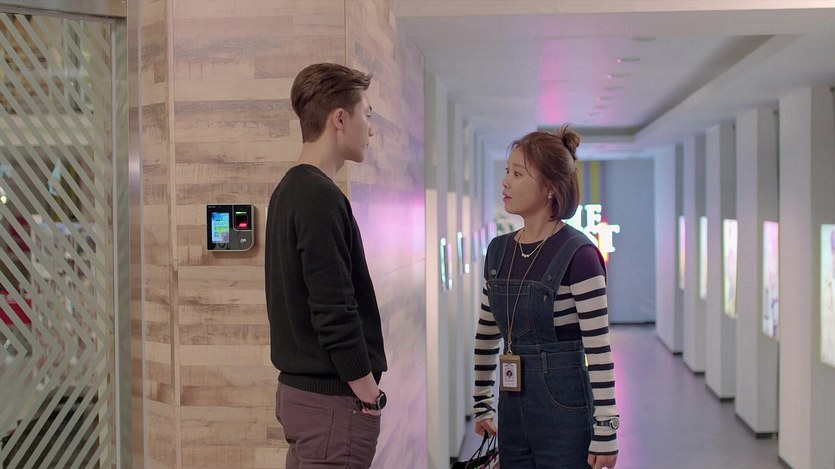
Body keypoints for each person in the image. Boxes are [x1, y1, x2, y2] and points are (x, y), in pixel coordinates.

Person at [472, 127, 620, 469]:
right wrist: (481, 401)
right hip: (512, 407)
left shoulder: (580, 254)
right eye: (507, 171)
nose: (505, 182)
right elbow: (487, 333)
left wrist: (607, 428)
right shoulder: (498, 251)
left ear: (550, 187)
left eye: (518, 174)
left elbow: (598, 348)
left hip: (565, 410)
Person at [265, 62, 387, 469]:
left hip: (304, 399)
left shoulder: (288, 191)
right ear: (340, 119)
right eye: (366, 114)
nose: (370, 129)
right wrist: (369, 395)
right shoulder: (320, 197)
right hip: (332, 404)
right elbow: (334, 308)